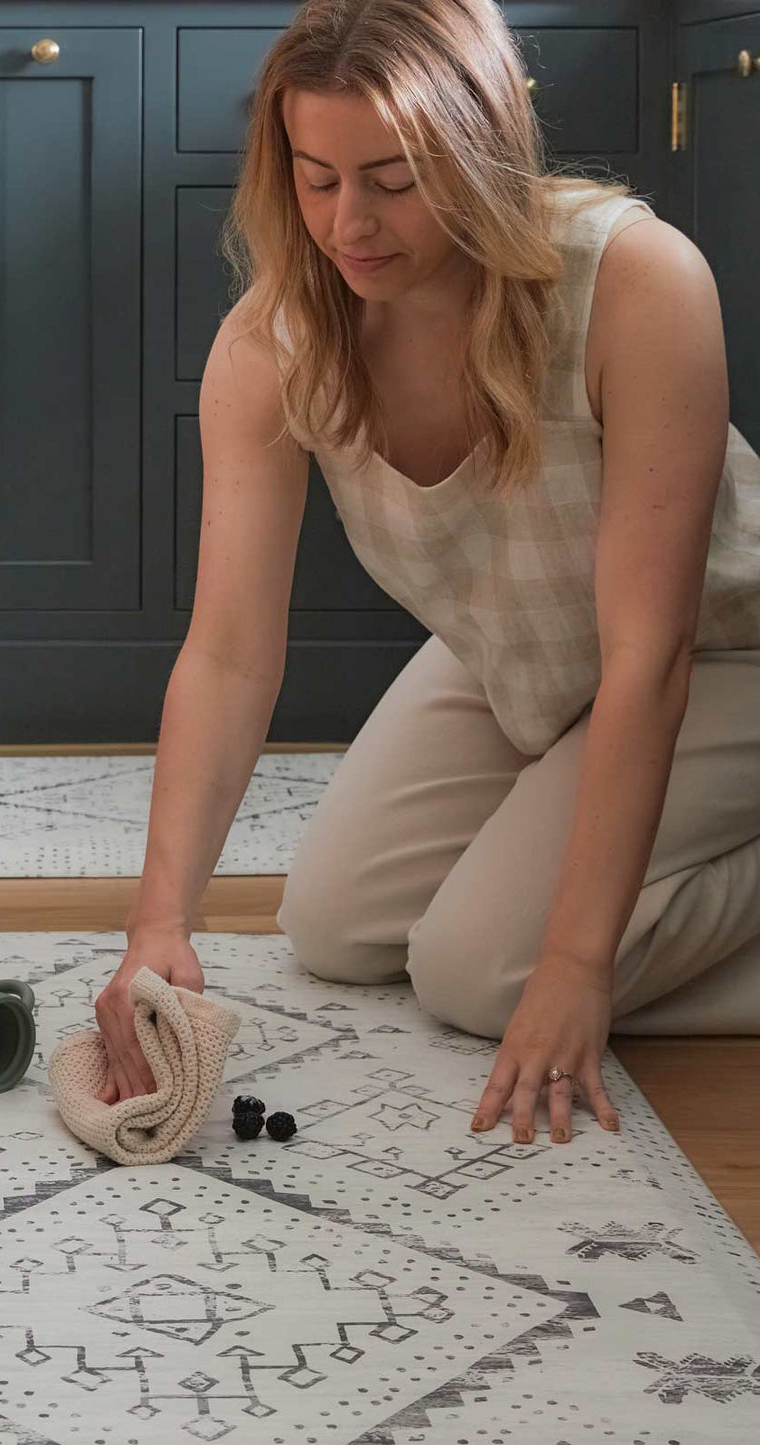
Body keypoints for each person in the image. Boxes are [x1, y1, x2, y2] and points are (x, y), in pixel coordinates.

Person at [94, 0, 760, 1149]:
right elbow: (227, 649)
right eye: (315, 178)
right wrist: (160, 919)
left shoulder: (638, 283)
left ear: (477, 149)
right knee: (336, 925)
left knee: (480, 972)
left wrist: (572, 961)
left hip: (716, 652)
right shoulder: (273, 343)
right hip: (522, 660)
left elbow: (647, 655)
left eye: (393, 179)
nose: (348, 223)